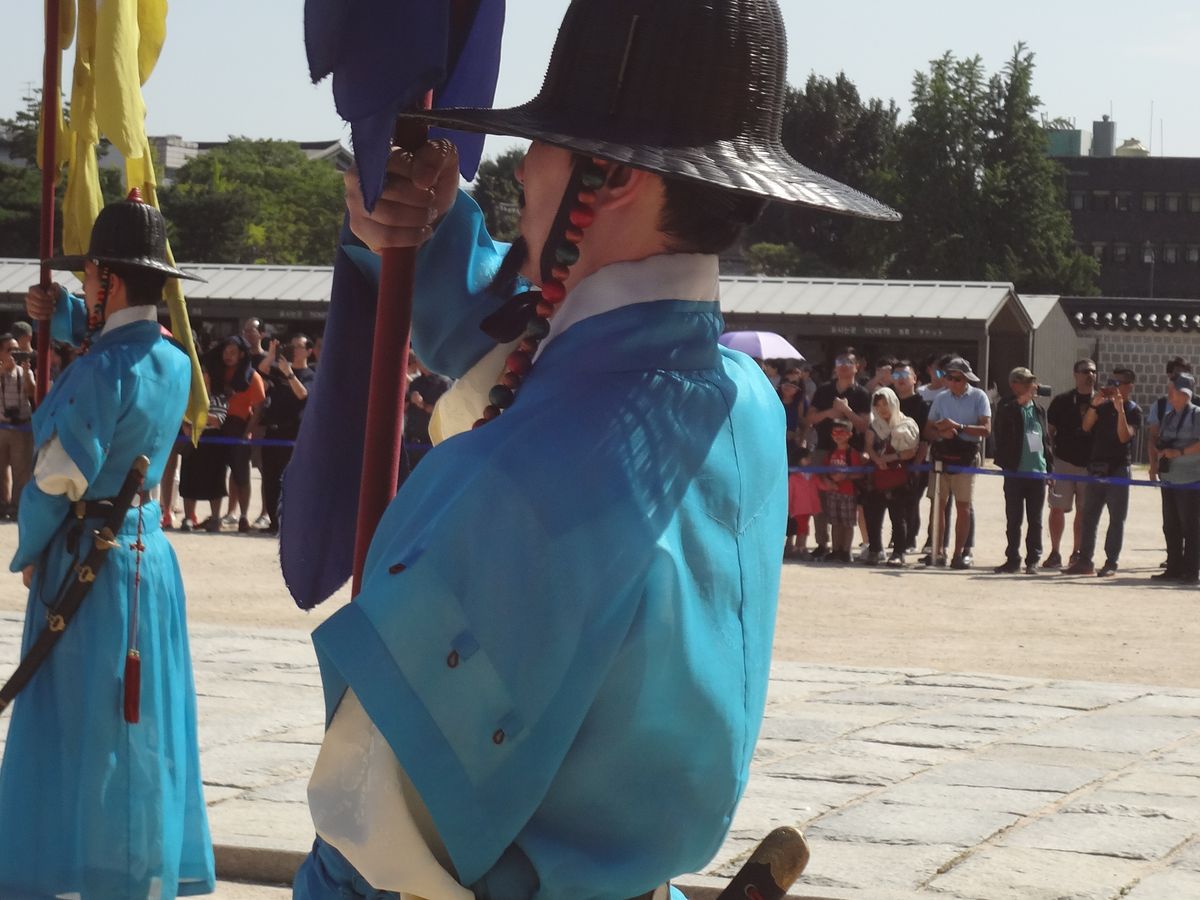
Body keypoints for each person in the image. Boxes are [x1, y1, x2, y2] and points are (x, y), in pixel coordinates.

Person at [287, 1, 898, 898]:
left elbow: (369, 837)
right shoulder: (745, 404)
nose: (525, 167)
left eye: (549, 142)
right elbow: (540, 366)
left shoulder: (502, 484)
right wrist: (433, 232)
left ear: (610, 178)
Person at [1, 192, 214, 897]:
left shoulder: (98, 371)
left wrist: (30, 548)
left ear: (111, 281)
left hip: (84, 560)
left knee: (79, 724)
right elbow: (126, 341)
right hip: (148, 554)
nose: (86, 286)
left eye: (90, 277)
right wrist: (59, 312)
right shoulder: (174, 361)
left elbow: (57, 476)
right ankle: (135, 871)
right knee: (139, 723)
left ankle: (73, 872)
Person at [1064, 366, 1141, 577]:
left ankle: (1111, 562)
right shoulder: (1103, 407)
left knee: (1116, 519)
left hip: (1119, 469)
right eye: (1110, 382)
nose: (1112, 387)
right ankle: (1085, 560)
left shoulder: (1133, 410)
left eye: (1117, 383)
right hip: (1097, 467)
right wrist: (1093, 405)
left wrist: (1120, 410)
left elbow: (1124, 437)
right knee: (1089, 516)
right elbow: (1086, 427)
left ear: (1129, 386)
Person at [805, 348, 871, 560]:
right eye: (840, 361)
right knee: (820, 499)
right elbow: (810, 419)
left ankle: (845, 549)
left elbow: (864, 426)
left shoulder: (862, 393)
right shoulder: (824, 389)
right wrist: (829, 413)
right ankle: (822, 544)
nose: (843, 366)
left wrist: (846, 411)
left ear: (857, 367)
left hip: (851, 452)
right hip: (824, 448)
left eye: (848, 362)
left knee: (849, 502)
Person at [925, 357, 991, 568]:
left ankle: (960, 552)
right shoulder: (941, 398)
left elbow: (986, 430)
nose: (952, 382)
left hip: (966, 456)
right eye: (949, 377)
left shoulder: (979, 396)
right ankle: (938, 551)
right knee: (938, 504)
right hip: (942, 454)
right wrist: (942, 432)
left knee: (964, 505)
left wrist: (959, 427)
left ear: (966, 379)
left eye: (957, 378)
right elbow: (928, 429)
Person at [992, 367, 1051, 574]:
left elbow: (1045, 441)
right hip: (1015, 471)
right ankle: (1012, 558)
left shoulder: (1039, 410)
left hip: (1037, 472)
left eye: (1031, 383)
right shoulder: (1006, 405)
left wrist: (1050, 469)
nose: (1030, 387)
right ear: (1014, 385)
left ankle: (1033, 559)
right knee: (1014, 519)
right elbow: (1001, 425)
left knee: (1035, 520)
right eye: (1025, 383)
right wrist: (1021, 401)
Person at [257, 333, 315, 533]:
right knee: (270, 480)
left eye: (299, 347)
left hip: (293, 436)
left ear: (309, 351)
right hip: (272, 434)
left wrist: (289, 374)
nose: (294, 350)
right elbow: (261, 371)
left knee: (290, 481)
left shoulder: (311, 374)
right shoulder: (279, 370)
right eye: (292, 346)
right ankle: (274, 522)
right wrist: (271, 354)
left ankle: (290, 524)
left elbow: (302, 394)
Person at [1044, 359, 1098, 569]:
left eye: (1093, 371)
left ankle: (1077, 553)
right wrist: (1050, 462)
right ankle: (1055, 552)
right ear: (1075, 374)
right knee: (1057, 508)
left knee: (1083, 512)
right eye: (1085, 371)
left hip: (1089, 465)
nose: (1090, 375)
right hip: (1063, 463)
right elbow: (1049, 433)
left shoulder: (1101, 401)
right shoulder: (1062, 401)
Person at [862, 387, 920, 566]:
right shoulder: (874, 425)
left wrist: (890, 458)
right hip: (876, 477)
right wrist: (876, 458)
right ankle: (874, 550)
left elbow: (911, 451)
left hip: (899, 477)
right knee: (873, 516)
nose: (882, 408)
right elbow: (868, 446)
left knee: (898, 517)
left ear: (893, 403)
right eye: (878, 405)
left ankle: (898, 552)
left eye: (885, 404)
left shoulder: (906, 423)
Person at [1154, 372, 1200, 584]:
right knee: (1170, 525)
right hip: (1169, 478)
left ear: (1185, 393)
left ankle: (1191, 570)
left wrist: (1179, 453)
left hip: (1190, 479)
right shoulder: (1169, 416)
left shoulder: (1197, 415)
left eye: (1173, 390)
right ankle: (1173, 567)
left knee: (1190, 526)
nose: (1169, 394)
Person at [890, 360, 929, 552]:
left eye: (905, 375)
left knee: (911, 502)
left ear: (915, 378)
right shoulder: (889, 403)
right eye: (896, 376)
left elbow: (925, 438)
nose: (901, 379)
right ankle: (897, 537)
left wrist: (917, 464)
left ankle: (910, 539)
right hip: (891, 460)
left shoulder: (922, 405)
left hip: (915, 462)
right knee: (894, 502)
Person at [819, 419, 866, 563]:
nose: (838, 436)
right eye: (835, 432)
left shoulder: (852, 453)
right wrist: (828, 481)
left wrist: (845, 476)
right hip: (833, 492)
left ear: (849, 434)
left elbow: (860, 473)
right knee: (835, 522)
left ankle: (846, 551)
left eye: (842, 432)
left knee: (847, 523)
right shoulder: (830, 453)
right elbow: (823, 471)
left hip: (848, 493)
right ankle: (835, 550)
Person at [0, 332, 36, 519]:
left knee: (21, 471)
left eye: (16, 350)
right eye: (9, 350)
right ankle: (2, 504)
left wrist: (27, 372)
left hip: (22, 428)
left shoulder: (24, 371)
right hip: (2, 427)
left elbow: (32, 392)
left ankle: (16, 507)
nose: (13, 354)